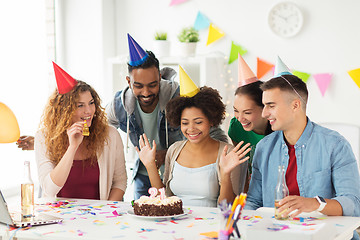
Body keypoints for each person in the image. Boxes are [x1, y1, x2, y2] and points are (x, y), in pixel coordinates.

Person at [245, 61, 360, 238]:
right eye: (264, 105)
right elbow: (253, 201)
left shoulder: (335, 145)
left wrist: (315, 204)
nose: (264, 113)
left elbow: (353, 203)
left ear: (296, 105)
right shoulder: (264, 148)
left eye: (271, 105)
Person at [106, 34, 228, 199]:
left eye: (152, 85)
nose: (146, 92)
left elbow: (211, 129)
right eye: (138, 86)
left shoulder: (178, 96)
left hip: (179, 175)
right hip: (144, 175)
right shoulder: (118, 105)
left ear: (160, 78)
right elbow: (100, 129)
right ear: (129, 81)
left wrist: (169, 153)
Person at [136, 86, 251, 207]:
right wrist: (150, 165)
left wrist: (225, 174)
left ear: (211, 120)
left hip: (211, 223)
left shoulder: (228, 153)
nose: (191, 129)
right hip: (176, 223)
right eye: (185, 123)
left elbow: (229, 207)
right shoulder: (174, 150)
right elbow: (164, 200)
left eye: (198, 122)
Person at [35, 62, 127, 201]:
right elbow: (50, 189)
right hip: (58, 218)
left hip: (99, 218)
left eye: (91, 103)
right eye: (80, 105)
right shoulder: (43, 137)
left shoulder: (110, 135)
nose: (89, 111)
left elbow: (119, 182)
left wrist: (106, 212)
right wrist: (72, 147)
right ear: (64, 110)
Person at [228, 55, 273, 192]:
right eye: (236, 111)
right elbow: (243, 165)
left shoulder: (279, 130)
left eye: (247, 112)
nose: (240, 118)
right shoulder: (236, 127)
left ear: (264, 108)